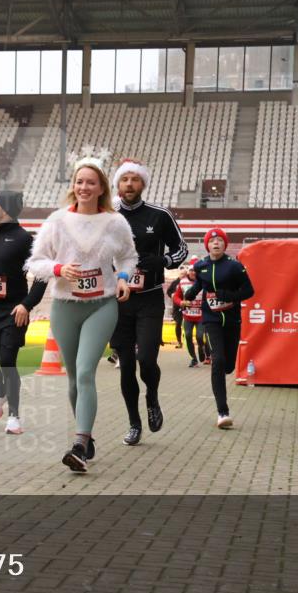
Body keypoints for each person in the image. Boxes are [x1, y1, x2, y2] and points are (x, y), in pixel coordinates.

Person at [26, 157, 137, 472]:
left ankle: (79, 441)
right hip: (65, 305)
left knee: (86, 371)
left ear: (101, 187)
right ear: (73, 186)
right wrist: (60, 268)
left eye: (91, 182)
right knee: (74, 378)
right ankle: (86, 442)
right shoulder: (57, 221)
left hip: (101, 304)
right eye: (79, 181)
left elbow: (128, 257)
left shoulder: (114, 222)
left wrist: (125, 279)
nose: (84, 187)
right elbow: (35, 263)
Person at [108, 160, 188, 447]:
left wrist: (164, 261)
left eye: (135, 179)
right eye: (124, 179)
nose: (129, 184)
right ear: (117, 184)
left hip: (150, 298)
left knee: (146, 360)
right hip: (117, 301)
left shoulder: (160, 215)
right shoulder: (107, 215)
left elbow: (182, 249)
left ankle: (152, 397)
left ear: (143, 184)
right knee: (126, 364)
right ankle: (134, 423)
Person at [0, 190, 47, 435]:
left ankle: (14, 417)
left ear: (5, 208)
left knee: (7, 363)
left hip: (13, 312)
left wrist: (26, 305)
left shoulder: (25, 240)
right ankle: (0, 394)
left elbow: (41, 277)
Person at [183, 228, 255, 429]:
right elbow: (199, 286)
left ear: (225, 244)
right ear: (207, 245)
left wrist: (229, 296)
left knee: (229, 365)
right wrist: (185, 297)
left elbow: (249, 290)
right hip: (211, 319)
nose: (216, 243)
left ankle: (223, 371)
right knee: (218, 360)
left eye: (219, 240)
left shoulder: (234, 267)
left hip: (231, 320)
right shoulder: (201, 266)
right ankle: (222, 412)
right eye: (212, 240)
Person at [173, 258, 208, 367]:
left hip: (201, 316)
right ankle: (193, 358)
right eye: (191, 270)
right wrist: (181, 302)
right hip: (187, 315)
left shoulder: (204, 282)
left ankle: (202, 349)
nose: (193, 273)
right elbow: (176, 296)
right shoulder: (182, 282)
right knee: (187, 336)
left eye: (195, 271)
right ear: (188, 271)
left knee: (199, 336)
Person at [166, 273, 184, 349]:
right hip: (177, 306)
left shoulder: (191, 281)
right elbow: (169, 292)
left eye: (185, 274)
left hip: (189, 306)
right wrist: (173, 295)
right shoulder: (175, 282)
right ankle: (179, 342)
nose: (184, 275)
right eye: (182, 274)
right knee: (178, 324)